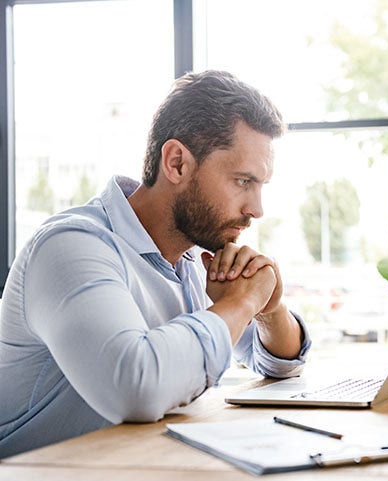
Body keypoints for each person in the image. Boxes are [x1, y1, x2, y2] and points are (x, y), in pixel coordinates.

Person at [0, 70, 311, 458]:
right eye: (242, 182)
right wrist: (240, 304)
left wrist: (270, 308)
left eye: (260, 185)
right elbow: (135, 387)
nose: (257, 209)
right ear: (177, 163)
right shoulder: (70, 247)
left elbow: (278, 364)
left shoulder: (196, 258)